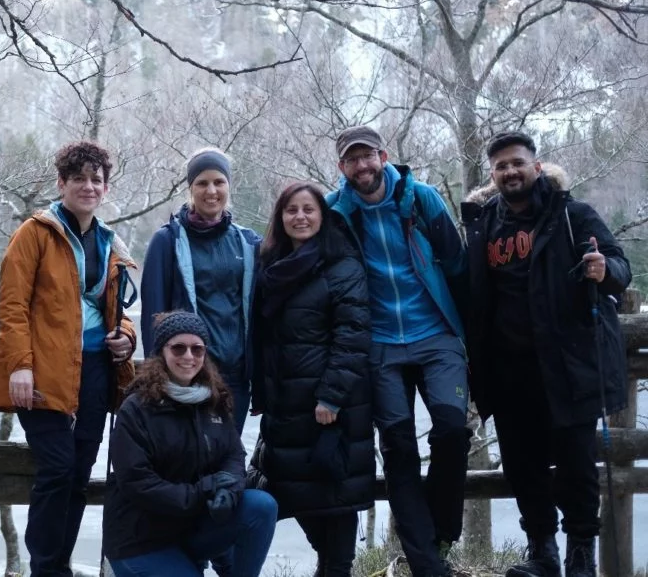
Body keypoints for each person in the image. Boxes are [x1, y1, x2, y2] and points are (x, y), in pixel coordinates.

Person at [462, 131, 631, 577]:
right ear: (493, 175)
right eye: (501, 166)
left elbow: (620, 267)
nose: (510, 171)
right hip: (508, 371)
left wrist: (603, 269)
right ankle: (543, 554)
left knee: (577, 466)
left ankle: (580, 556)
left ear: (536, 167)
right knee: (523, 467)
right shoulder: (482, 225)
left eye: (517, 163)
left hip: (567, 365)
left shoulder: (572, 215)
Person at [0, 141, 138, 577]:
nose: (88, 187)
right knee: (57, 469)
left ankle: (58, 568)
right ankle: (46, 569)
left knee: (79, 474)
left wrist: (125, 336)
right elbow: (11, 307)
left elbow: (117, 311)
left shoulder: (109, 241)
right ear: (61, 183)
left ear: (105, 188)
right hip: (44, 372)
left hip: (94, 373)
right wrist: (21, 366)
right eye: (79, 178)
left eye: (96, 179)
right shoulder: (35, 233)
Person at [326, 126, 470, 577]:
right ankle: (428, 565)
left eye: (368, 156)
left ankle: (442, 531)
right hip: (381, 342)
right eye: (352, 160)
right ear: (342, 167)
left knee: (452, 430)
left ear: (383, 156)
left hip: (435, 334)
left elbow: (458, 263)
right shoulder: (337, 212)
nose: (362, 166)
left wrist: (472, 341)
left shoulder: (421, 197)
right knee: (398, 448)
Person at [246, 182, 374, 577]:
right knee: (289, 496)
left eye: (308, 209)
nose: (300, 217)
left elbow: (352, 336)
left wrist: (332, 396)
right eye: (291, 210)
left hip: (328, 411)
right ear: (280, 218)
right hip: (285, 411)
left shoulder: (342, 265)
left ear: (322, 215)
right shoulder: (270, 265)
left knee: (334, 504)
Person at [104, 311, 278, 577]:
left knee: (262, 506)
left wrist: (229, 489)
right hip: (140, 539)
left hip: (192, 528)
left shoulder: (213, 399)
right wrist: (204, 491)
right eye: (178, 348)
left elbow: (233, 454)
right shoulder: (136, 408)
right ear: (162, 351)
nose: (188, 356)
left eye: (197, 349)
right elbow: (138, 483)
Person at [140, 147, 260, 434]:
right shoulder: (167, 241)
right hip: (187, 371)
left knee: (228, 456)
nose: (211, 191)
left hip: (235, 374)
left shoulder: (248, 243)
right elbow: (153, 313)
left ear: (229, 186)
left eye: (219, 182)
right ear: (190, 189)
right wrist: (158, 374)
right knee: (187, 457)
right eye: (202, 183)